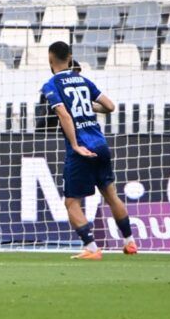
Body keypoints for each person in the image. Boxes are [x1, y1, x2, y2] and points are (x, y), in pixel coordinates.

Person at [41, 41, 137, 260]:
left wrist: (75, 145)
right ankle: (129, 242)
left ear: (50, 59)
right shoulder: (83, 80)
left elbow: (64, 115)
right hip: (100, 144)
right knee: (111, 195)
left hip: (81, 149)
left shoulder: (51, 85)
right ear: (70, 57)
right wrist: (88, 105)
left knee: (71, 202)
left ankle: (91, 248)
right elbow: (110, 106)